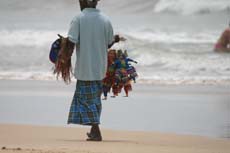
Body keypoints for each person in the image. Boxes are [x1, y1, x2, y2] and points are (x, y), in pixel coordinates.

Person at [66, 0, 122, 141]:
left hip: (85, 67)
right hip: (100, 68)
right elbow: (108, 42)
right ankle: (93, 130)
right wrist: (115, 39)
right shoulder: (105, 20)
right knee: (94, 100)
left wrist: (62, 58)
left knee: (87, 101)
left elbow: (71, 41)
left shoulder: (78, 19)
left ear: (83, 2)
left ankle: (96, 131)